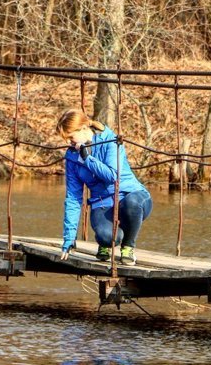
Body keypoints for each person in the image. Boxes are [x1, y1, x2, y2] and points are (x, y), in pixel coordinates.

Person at [56, 108, 152, 265]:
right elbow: (73, 198)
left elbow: (112, 176)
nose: (69, 142)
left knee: (133, 204)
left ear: (84, 128)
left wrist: (87, 159)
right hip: (102, 202)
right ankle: (107, 243)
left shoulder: (110, 140)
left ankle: (128, 247)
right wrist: (69, 238)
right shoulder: (72, 156)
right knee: (108, 237)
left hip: (132, 195)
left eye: (71, 137)